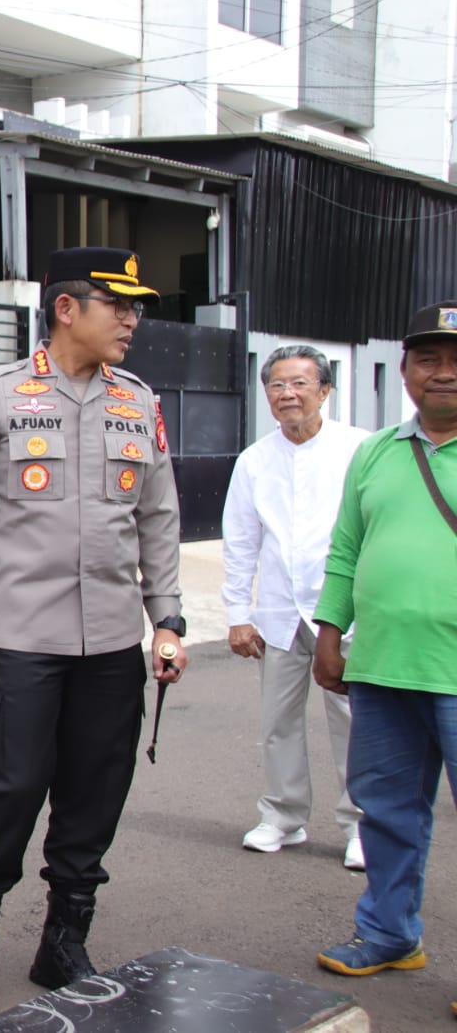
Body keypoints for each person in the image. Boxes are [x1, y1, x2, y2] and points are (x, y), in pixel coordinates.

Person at [0, 247, 186, 1015]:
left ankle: (64, 936)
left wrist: (167, 618)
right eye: (119, 305)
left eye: (137, 307)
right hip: (19, 638)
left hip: (111, 641)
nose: (133, 319)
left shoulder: (137, 402)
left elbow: (158, 516)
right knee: (12, 787)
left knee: (95, 790)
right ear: (67, 309)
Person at [313, 302, 457, 1026]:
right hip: (384, 668)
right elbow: (345, 549)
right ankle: (391, 934)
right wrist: (331, 631)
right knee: (389, 812)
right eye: (429, 359)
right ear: (404, 371)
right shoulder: (375, 452)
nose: (445, 372)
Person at [222, 346, 368, 869]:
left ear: (325, 390)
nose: (288, 394)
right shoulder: (255, 461)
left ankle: (361, 825)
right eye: (278, 385)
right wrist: (239, 613)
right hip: (281, 611)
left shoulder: (359, 450)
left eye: (300, 383)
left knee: (354, 719)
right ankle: (284, 815)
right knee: (278, 720)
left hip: (344, 611)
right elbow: (240, 541)